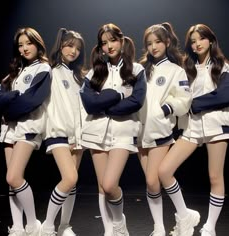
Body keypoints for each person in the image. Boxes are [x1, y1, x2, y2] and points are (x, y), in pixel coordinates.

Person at [159, 23, 229, 236]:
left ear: (210, 40)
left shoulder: (223, 66)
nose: (197, 44)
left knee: (215, 177)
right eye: (193, 40)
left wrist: (192, 103)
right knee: (164, 171)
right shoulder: (187, 67)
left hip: (217, 125)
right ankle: (185, 215)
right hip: (192, 127)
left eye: (201, 39)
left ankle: (210, 227)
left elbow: (224, 96)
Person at [79, 23, 146, 236]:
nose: (109, 46)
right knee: (101, 187)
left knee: (109, 185)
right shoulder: (94, 73)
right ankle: (109, 230)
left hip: (123, 132)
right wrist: (117, 95)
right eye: (104, 43)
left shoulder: (136, 70)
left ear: (122, 40)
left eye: (112, 40)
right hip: (95, 132)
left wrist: (105, 104)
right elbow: (89, 104)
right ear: (100, 47)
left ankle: (119, 223)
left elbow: (136, 101)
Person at [0, 27, 52, 235]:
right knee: (12, 181)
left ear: (38, 44)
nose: (24, 48)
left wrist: (8, 104)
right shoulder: (14, 72)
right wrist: (12, 97)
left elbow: (31, 101)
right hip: (9, 129)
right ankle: (17, 227)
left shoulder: (43, 69)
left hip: (28, 128)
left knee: (14, 177)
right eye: (20, 45)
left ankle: (33, 224)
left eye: (29, 43)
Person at [137, 22, 192, 236]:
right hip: (139, 133)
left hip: (160, 131)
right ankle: (159, 227)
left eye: (158, 42)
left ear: (167, 42)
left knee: (153, 179)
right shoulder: (141, 69)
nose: (153, 47)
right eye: (149, 43)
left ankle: (184, 216)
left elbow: (184, 100)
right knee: (152, 185)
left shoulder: (176, 70)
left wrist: (166, 109)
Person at [41, 28, 87, 236]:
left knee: (72, 181)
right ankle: (48, 226)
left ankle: (64, 226)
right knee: (69, 178)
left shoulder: (80, 76)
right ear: (60, 45)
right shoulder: (48, 70)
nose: (73, 51)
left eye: (77, 48)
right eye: (69, 45)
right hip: (58, 132)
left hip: (78, 135)